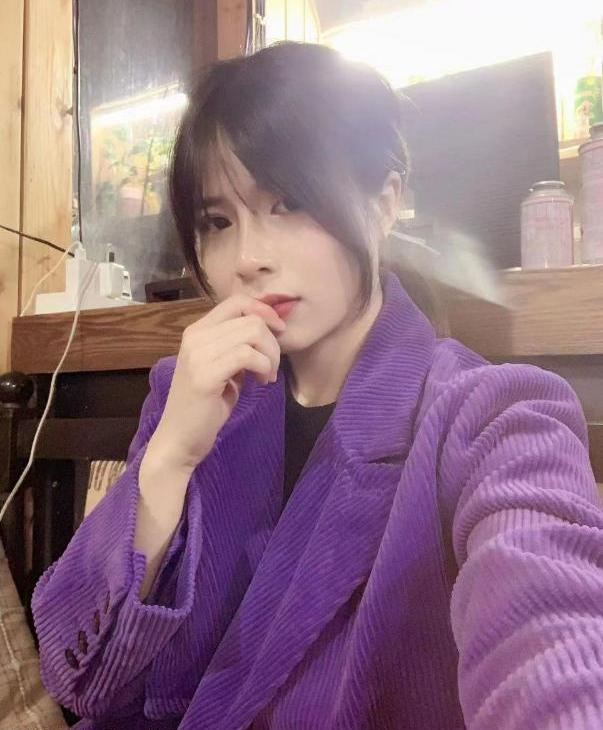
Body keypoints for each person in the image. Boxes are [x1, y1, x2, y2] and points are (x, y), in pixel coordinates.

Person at [32, 43, 603, 730]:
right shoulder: (188, 396)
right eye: (218, 222)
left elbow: (548, 622)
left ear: (384, 203)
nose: (248, 258)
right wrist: (167, 461)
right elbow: (79, 679)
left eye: (290, 203)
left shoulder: (490, 413)